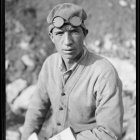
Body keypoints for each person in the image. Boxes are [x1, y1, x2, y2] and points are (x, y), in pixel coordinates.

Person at [21, 3, 124, 140]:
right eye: (59, 33)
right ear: (52, 37)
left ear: (84, 34)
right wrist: (26, 137)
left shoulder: (103, 72)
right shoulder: (50, 64)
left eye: (74, 32)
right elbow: (36, 108)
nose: (67, 41)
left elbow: (109, 133)